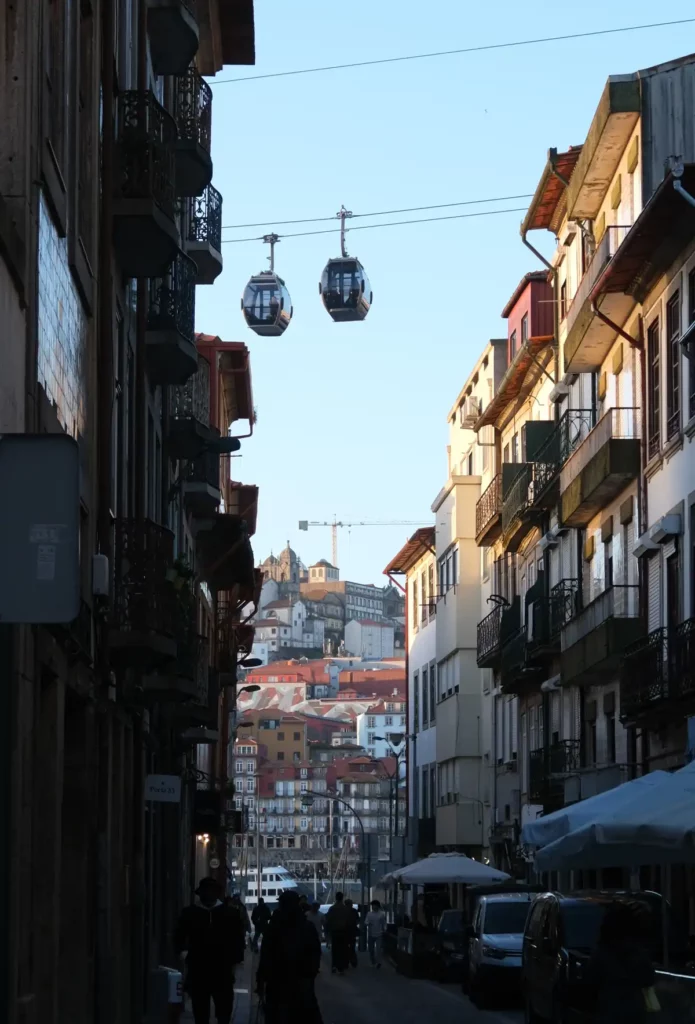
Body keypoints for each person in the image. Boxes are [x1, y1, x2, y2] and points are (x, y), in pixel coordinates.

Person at [174, 877, 246, 1024]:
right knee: (201, 1012)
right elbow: (179, 936)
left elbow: (238, 939)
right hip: (199, 968)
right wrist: (184, 953)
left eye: (212, 892)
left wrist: (234, 960)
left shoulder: (230, 913)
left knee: (224, 1011)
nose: (209, 896)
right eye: (206, 893)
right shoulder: (190, 913)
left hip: (222, 969)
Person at [257, 890, 323, 1024]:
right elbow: (315, 952)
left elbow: (266, 954)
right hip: (300, 979)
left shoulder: (274, 926)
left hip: (278, 979)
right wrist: (311, 972)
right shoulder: (306, 925)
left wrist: (261, 979)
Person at [585, 902, 656, 1024]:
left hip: (608, 1014)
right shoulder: (638, 953)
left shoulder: (601, 954)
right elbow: (649, 979)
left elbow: (591, 984)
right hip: (635, 1013)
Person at [325, 892, 352, 975]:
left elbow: (328, 921)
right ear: (342, 898)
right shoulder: (345, 909)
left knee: (335, 950)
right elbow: (348, 921)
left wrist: (327, 933)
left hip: (334, 931)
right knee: (342, 950)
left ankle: (334, 966)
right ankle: (341, 968)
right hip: (344, 931)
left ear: (336, 897)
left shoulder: (332, 908)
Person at [365, 899, 386, 968]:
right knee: (371, 949)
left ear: (378, 906)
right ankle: (372, 960)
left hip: (379, 934)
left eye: (375, 905)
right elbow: (366, 922)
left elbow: (384, 923)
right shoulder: (369, 914)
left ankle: (379, 962)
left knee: (378, 949)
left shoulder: (382, 914)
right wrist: (368, 923)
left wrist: (384, 929)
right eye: (372, 906)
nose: (373, 907)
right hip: (371, 934)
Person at [345, 899, 359, 968]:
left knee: (346, 947)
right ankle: (353, 961)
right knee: (352, 947)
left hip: (345, 931)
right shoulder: (354, 911)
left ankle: (347, 961)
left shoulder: (343, 911)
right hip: (352, 931)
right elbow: (357, 920)